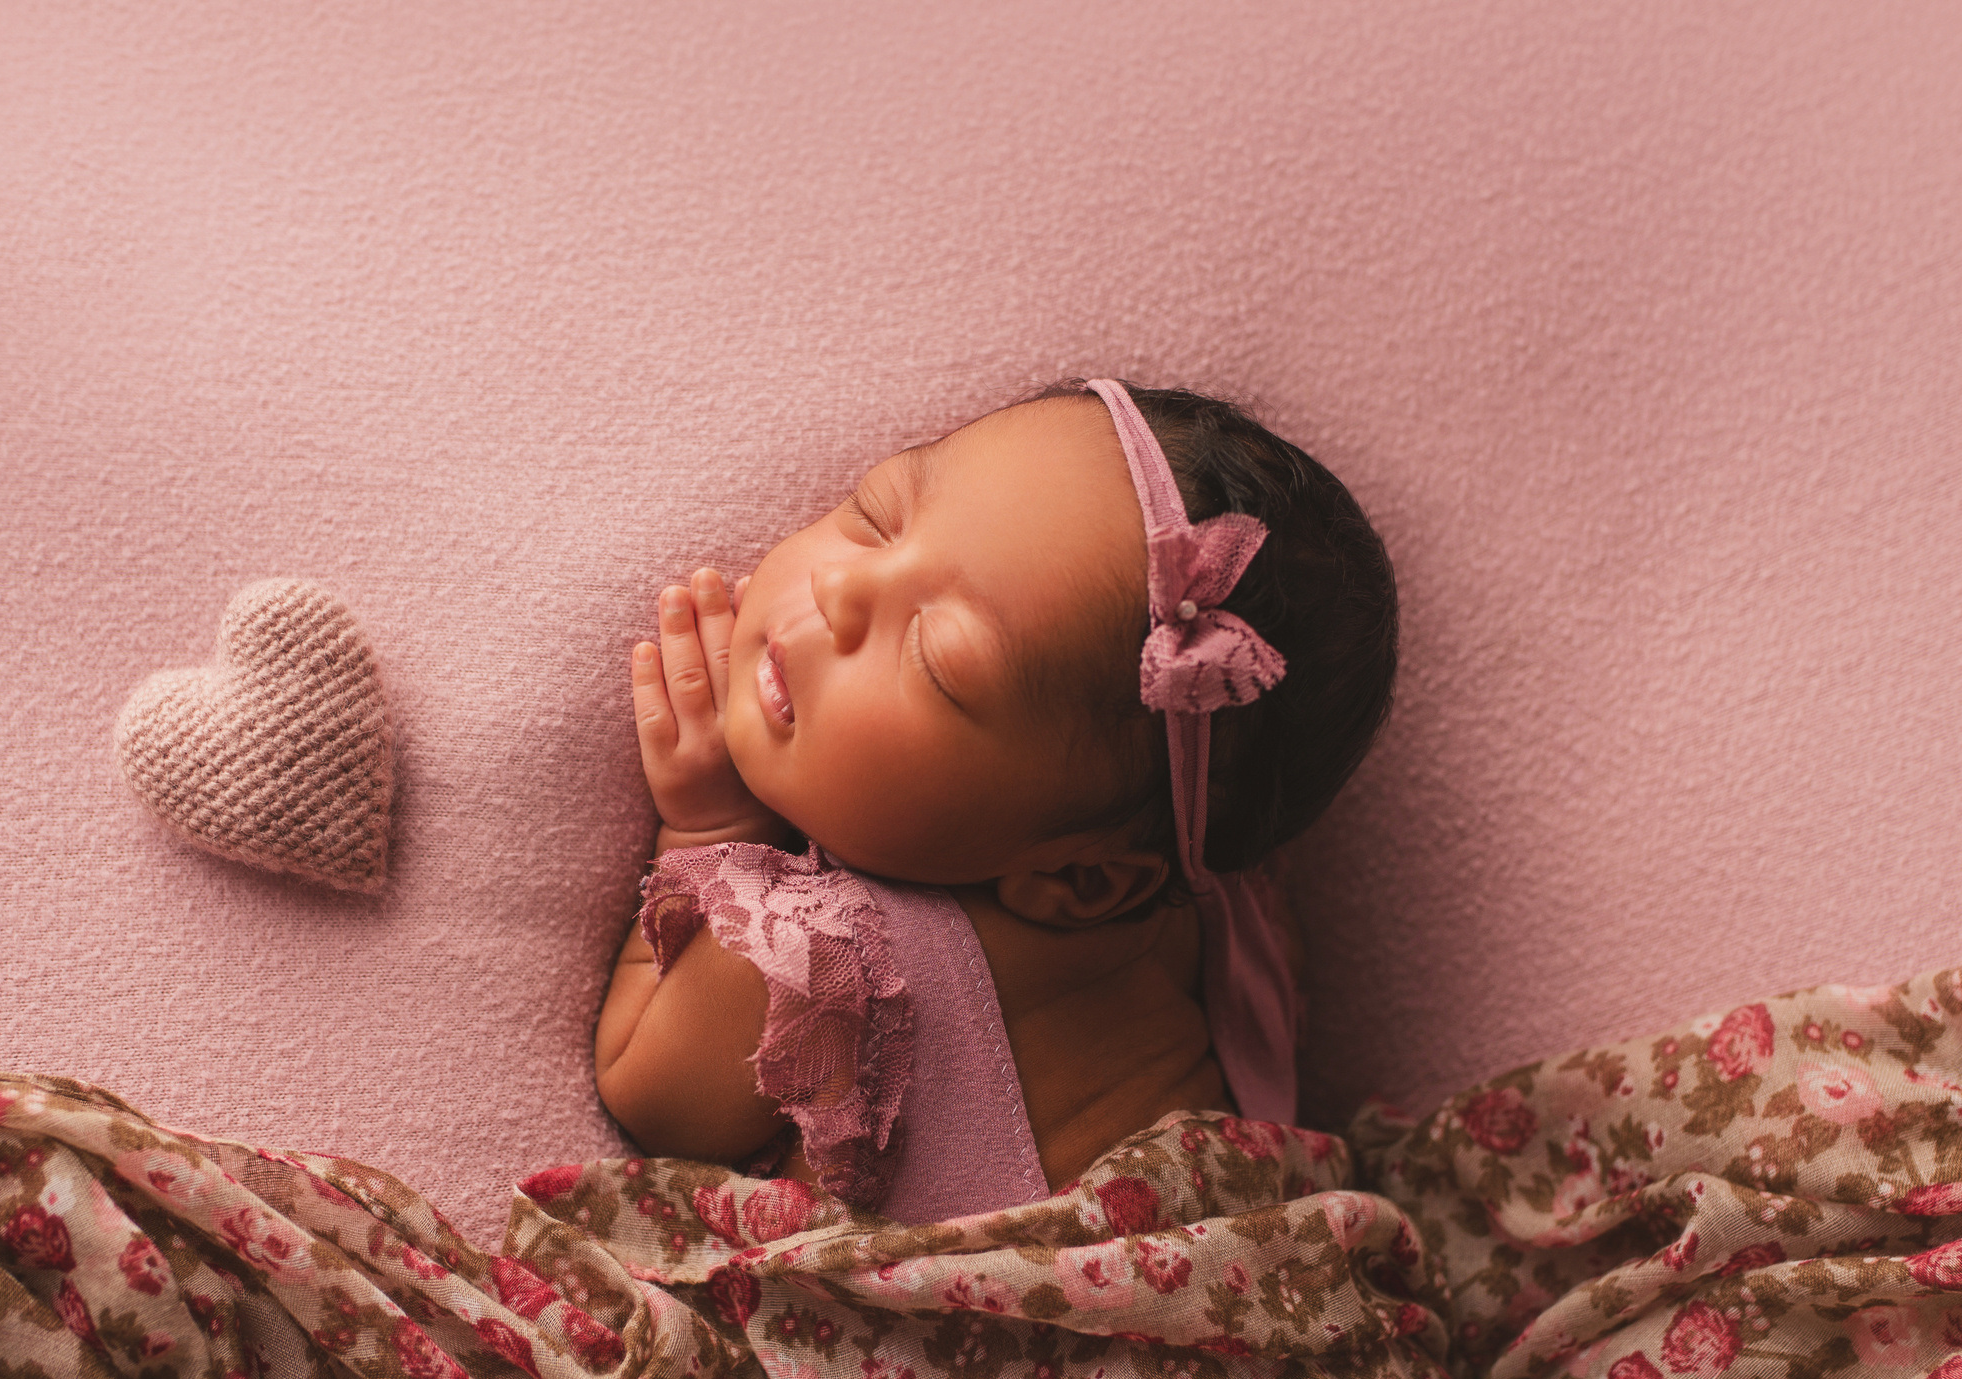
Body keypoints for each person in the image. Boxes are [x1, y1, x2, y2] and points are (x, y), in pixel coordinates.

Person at [593, 378, 1397, 1221]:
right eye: (877, 516)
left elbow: (647, 1093)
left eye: (938, 659)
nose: (840, 590)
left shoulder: (817, 957)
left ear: (1084, 880)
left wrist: (709, 824)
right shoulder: (1226, 919)